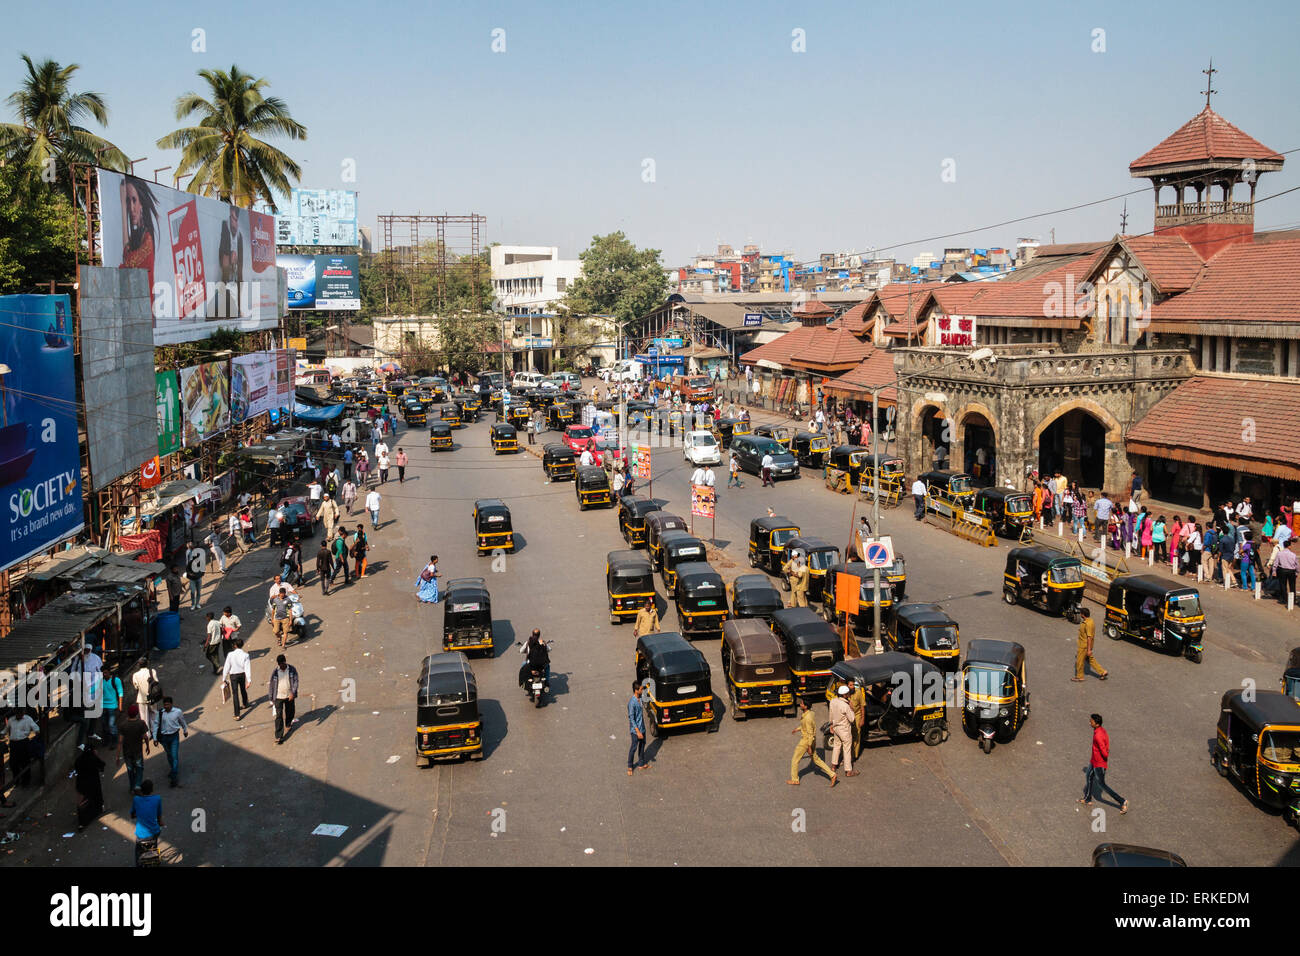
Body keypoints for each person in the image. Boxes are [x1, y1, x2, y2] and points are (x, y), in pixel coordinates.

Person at [1080, 713, 1128, 813]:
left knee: (1102, 785)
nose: (1090, 722)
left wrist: (1105, 754)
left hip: (1099, 764)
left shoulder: (1098, 735)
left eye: (1091, 721)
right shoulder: (1101, 730)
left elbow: (1104, 752)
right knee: (1088, 776)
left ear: (1096, 723)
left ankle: (1122, 801)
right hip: (1094, 761)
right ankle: (1087, 798)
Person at [789, 697, 836, 786]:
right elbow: (807, 727)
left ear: (806, 706)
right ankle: (832, 774)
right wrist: (798, 729)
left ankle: (795, 779)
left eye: (802, 704)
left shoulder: (807, 718)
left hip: (806, 741)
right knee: (816, 760)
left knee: (795, 760)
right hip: (811, 740)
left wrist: (809, 747)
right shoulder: (810, 713)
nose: (800, 704)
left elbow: (810, 733)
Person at [151, 697, 189, 788]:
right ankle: (173, 769)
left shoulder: (177, 712)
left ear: (171, 704)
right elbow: (156, 725)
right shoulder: (160, 713)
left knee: (174, 756)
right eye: (165, 705)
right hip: (164, 738)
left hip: (174, 736)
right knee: (169, 755)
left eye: (168, 704)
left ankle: (174, 777)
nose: (166, 706)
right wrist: (155, 738)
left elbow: (182, 721)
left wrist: (185, 730)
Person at [115, 705, 150, 796]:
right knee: (139, 768)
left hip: (127, 752)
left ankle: (132, 787)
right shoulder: (141, 723)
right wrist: (147, 746)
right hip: (137, 751)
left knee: (130, 770)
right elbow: (145, 737)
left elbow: (120, 741)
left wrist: (117, 756)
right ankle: (137, 786)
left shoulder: (123, 725)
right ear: (137, 713)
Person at [74, 741, 106, 830]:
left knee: (81, 802)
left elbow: (76, 768)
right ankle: (96, 811)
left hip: (81, 783)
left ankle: (81, 823)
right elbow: (102, 765)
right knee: (95, 797)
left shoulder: (79, 759)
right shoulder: (93, 758)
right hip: (92, 783)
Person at [269, 655, 299, 745]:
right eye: (279, 664)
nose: (281, 666)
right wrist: (271, 698)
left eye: (282, 664)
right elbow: (271, 685)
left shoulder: (292, 670)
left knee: (290, 711)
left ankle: (288, 723)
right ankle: (279, 736)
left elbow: (296, 681)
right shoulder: (275, 672)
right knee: (278, 716)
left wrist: (293, 693)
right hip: (278, 696)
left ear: (285, 662)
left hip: (289, 695)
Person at [828, 685, 857, 776]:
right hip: (844, 730)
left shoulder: (833, 701)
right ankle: (848, 770)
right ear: (844, 695)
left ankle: (833, 766)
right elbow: (852, 719)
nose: (849, 695)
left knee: (836, 746)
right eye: (848, 693)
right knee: (847, 749)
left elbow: (831, 715)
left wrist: (831, 726)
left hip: (836, 728)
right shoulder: (845, 705)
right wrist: (852, 709)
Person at [1071, 607, 1107, 681]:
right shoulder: (1091, 621)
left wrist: (1088, 650)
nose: (1080, 614)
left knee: (1079, 661)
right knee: (1090, 659)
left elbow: (1089, 637)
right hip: (1087, 645)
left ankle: (1079, 676)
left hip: (1084, 646)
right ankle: (1102, 672)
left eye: (1081, 613)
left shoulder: (1087, 624)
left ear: (1083, 615)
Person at [132, 780, 162, 867]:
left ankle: (138, 864)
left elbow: (132, 814)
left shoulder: (136, 799)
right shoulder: (157, 799)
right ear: (152, 790)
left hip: (141, 835)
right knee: (153, 844)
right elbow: (159, 815)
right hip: (154, 832)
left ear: (141, 790)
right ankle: (154, 858)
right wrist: (160, 822)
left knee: (138, 850)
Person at [222, 638, 252, 719]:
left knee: (235, 694)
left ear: (235, 645)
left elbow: (226, 667)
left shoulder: (230, 655)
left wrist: (224, 678)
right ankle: (245, 703)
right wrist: (249, 680)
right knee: (243, 689)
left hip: (233, 676)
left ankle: (237, 714)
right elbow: (247, 668)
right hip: (242, 675)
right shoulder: (246, 655)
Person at [627, 680, 649, 775]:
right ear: (636, 690)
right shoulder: (632, 703)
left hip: (642, 727)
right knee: (634, 747)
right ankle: (630, 766)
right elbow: (631, 718)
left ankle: (641, 763)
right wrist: (638, 732)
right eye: (640, 689)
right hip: (636, 730)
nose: (642, 690)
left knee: (642, 745)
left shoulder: (640, 699)